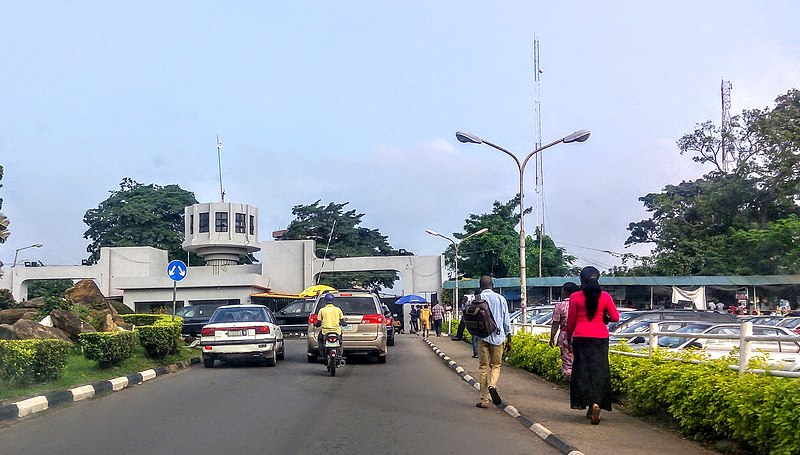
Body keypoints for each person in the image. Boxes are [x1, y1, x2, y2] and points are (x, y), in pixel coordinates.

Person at [566, 266, 619, 425]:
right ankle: (596, 404)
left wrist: (568, 338)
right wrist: (604, 317)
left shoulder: (575, 297)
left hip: (581, 338)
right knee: (599, 372)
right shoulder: (605, 296)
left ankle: (589, 405)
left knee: (583, 372)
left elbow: (571, 322)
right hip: (600, 338)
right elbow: (616, 317)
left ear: (581, 280)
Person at [475, 274, 511, 409]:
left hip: (482, 337)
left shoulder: (477, 299)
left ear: (480, 286)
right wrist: (509, 338)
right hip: (498, 337)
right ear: (492, 285)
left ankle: (484, 400)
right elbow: (506, 320)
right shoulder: (501, 299)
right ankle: (492, 385)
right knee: (495, 365)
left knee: (483, 368)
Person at [549, 281, 579, 380]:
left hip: (565, 336)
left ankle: (572, 383)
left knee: (567, 363)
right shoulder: (581, 304)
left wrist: (552, 338)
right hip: (580, 335)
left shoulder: (560, 306)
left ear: (565, 292)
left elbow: (555, 324)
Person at [316, 293, 345, 366]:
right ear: (333, 300)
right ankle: (340, 356)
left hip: (325, 332)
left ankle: (322, 355)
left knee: (320, 339)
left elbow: (319, 322)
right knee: (340, 342)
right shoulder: (338, 310)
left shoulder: (322, 310)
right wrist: (344, 323)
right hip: (336, 331)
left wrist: (316, 325)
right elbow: (342, 321)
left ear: (325, 301)